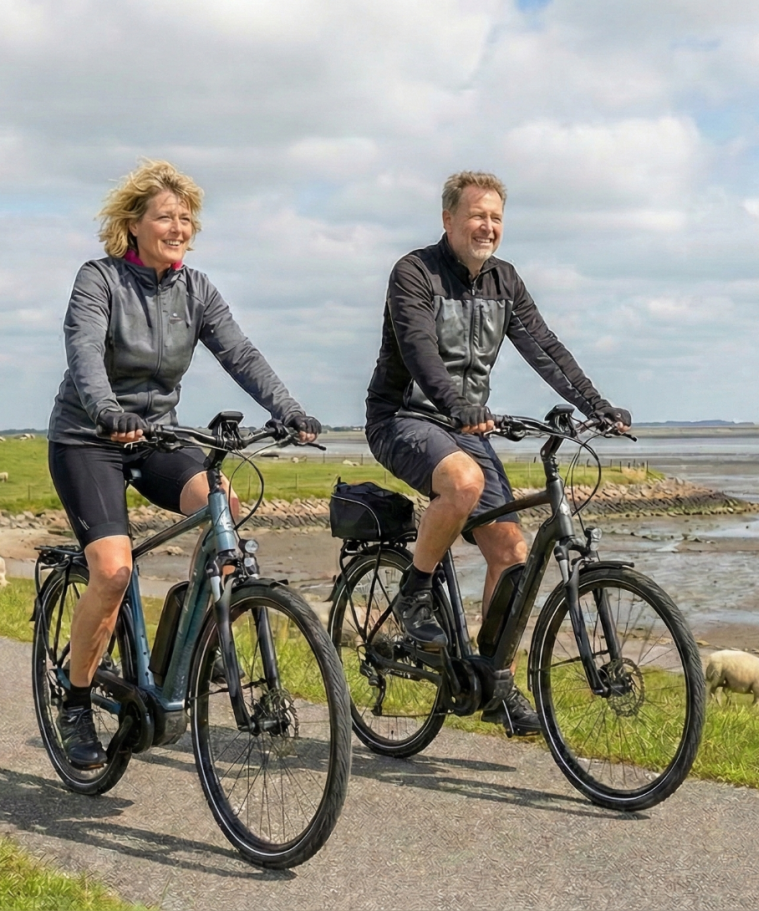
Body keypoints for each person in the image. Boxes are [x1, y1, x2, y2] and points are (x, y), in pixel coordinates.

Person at [47, 159, 320, 769]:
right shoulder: (99, 280)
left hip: (156, 436)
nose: (179, 226)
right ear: (134, 224)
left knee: (221, 504)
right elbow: (85, 349)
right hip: (89, 438)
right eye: (165, 216)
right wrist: (106, 408)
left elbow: (240, 353)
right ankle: (76, 697)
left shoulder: (197, 290)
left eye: (186, 218)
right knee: (114, 573)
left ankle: (190, 634)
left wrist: (290, 410)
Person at [365, 171, 631, 736]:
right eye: (476, 216)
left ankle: (496, 683)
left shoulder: (504, 281)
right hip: (404, 417)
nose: (487, 227)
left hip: (465, 426)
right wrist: (458, 403)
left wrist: (597, 405)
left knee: (512, 553)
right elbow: (418, 351)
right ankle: (416, 592)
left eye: (496, 218)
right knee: (461, 483)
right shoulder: (414, 272)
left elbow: (546, 347)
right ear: (448, 221)